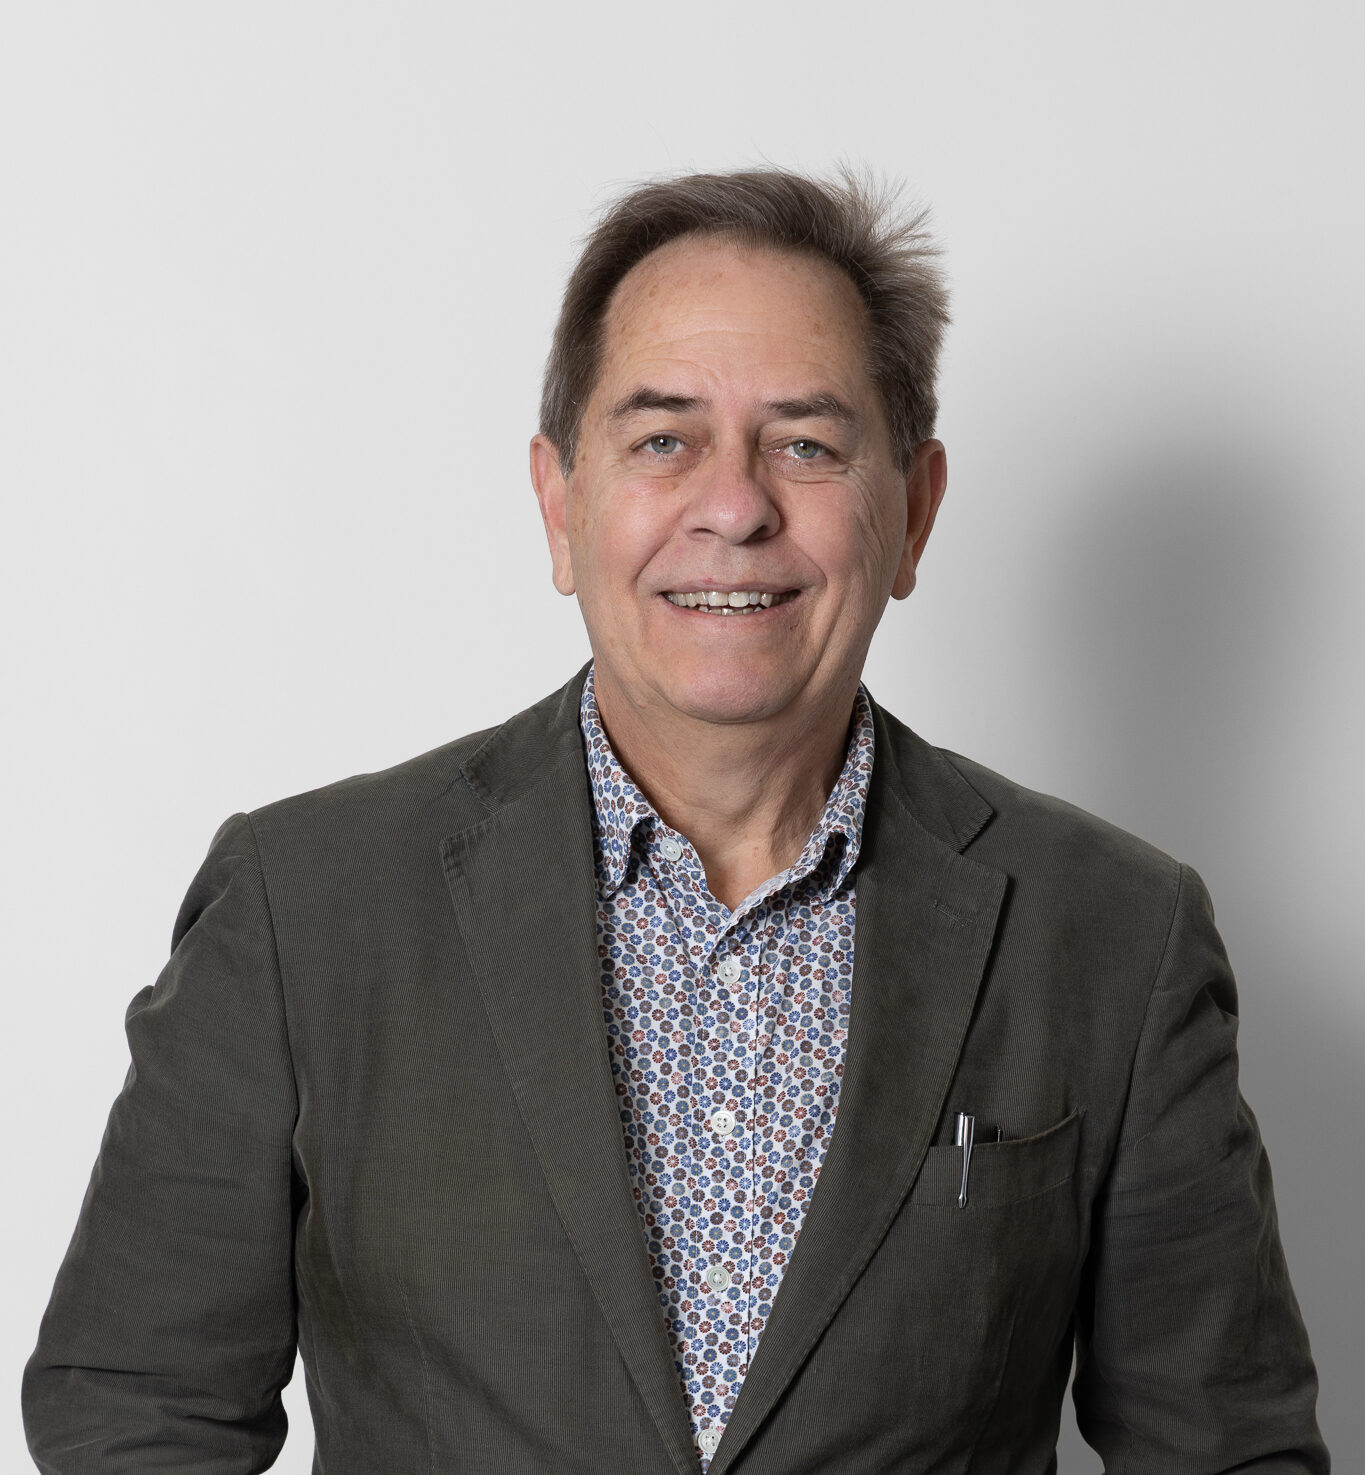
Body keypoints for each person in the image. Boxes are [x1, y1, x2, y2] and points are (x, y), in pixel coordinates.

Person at [23, 168, 1329, 1473]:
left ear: (914, 511)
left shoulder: (1109, 930)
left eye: (805, 443)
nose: (733, 505)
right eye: (663, 439)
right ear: (559, 501)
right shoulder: (305, 903)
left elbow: (1223, 1448)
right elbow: (137, 1410)